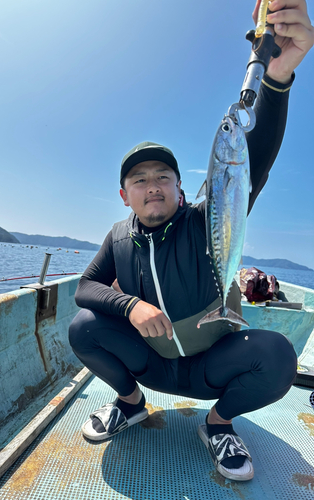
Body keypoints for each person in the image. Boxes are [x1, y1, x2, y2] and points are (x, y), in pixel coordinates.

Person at [69, 0, 314, 482]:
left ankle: (218, 424)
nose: (153, 184)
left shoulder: (205, 219)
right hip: (153, 365)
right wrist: (130, 307)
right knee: (82, 327)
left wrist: (277, 79)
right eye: (140, 180)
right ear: (125, 196)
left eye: (164, 175)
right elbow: (85, 287)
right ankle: (131, 405)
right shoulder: (119, 237)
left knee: (280, 357)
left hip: (210, 365)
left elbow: (253, 158)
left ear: (182, 189)